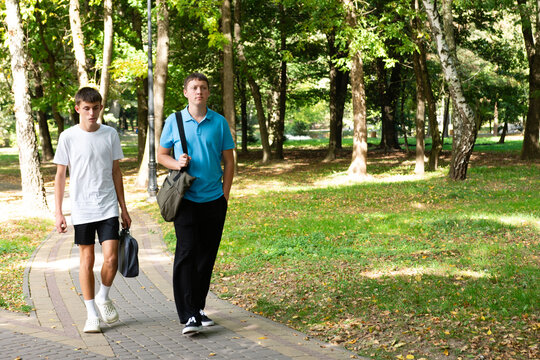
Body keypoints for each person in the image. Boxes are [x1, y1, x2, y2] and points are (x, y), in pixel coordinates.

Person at [157, 73, 235, 335]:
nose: (198, 91)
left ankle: (199, 309)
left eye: (203, 87)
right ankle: (188, 314)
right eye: (194, 87)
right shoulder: (175, 120)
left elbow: (229, 161)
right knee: (187, 253)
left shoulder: (219, 122)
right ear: (186, 92)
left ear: (208, 92)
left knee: (206, 256)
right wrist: (176, 163)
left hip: (214, 200)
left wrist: (225, 194)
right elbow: (161, 155)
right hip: (186, 199)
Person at [54, 87, 131, 333]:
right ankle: (90, 314)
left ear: (100, 108)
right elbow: (60, 175)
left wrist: (124, 208)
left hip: (107, 205)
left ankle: (103, 296)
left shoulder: (110, 134)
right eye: (86, 108)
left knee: (111, 258)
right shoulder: (68, 136)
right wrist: (59, 213)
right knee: (86, 261)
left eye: (96, 108)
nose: (91, 113)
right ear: (78, 109)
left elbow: (116, 172)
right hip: (82, 208)